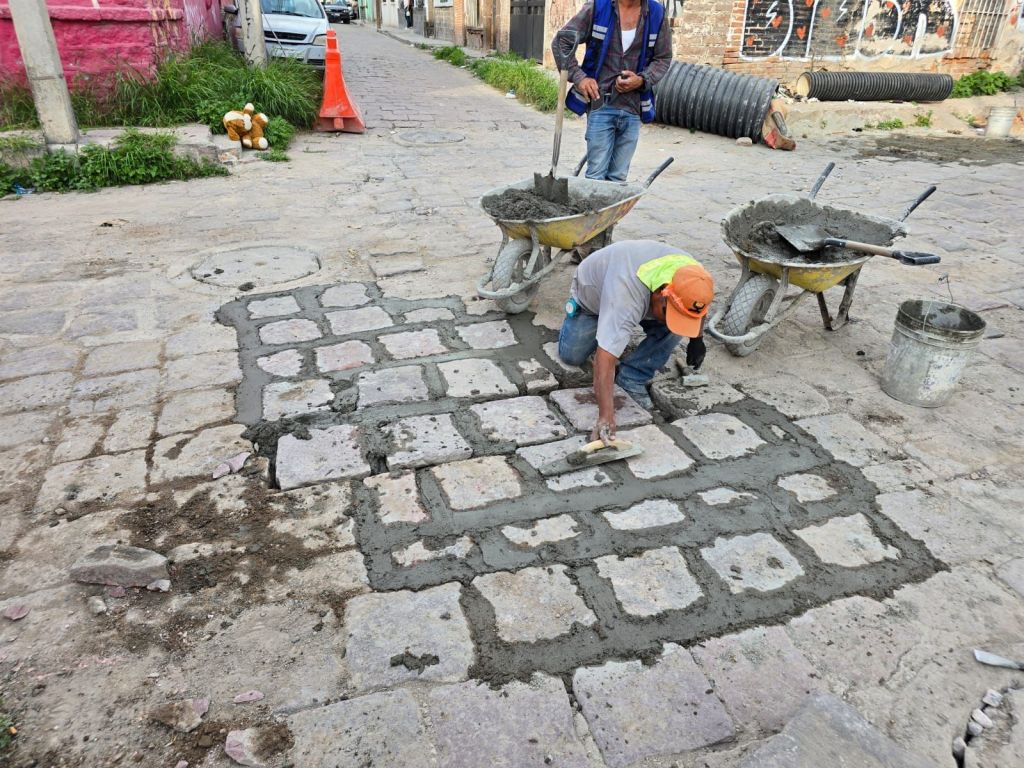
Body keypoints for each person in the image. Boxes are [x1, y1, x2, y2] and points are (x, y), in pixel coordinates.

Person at [558, 240, 714, 440]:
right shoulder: (625, 295)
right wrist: (606, 416)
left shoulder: (695, 279)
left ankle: (632, 376)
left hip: (636, 296)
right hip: (593, 295)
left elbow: (695, 310)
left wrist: (696, 339)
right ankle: (586, 317)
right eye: (668, 312)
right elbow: (604, 359)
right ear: (660, 293)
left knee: (675, 327)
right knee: (572, 356)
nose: (669, 320)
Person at [553, 0, 672, 182]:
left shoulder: (656, 14)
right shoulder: (598, 8)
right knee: (596, 176)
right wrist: (580, 78)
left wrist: (641, 80)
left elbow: (663, 58)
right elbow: (561, 42)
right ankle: (593, 211)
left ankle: (610, 211)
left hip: (633, 107)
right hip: (601, 104)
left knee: (618, 177)